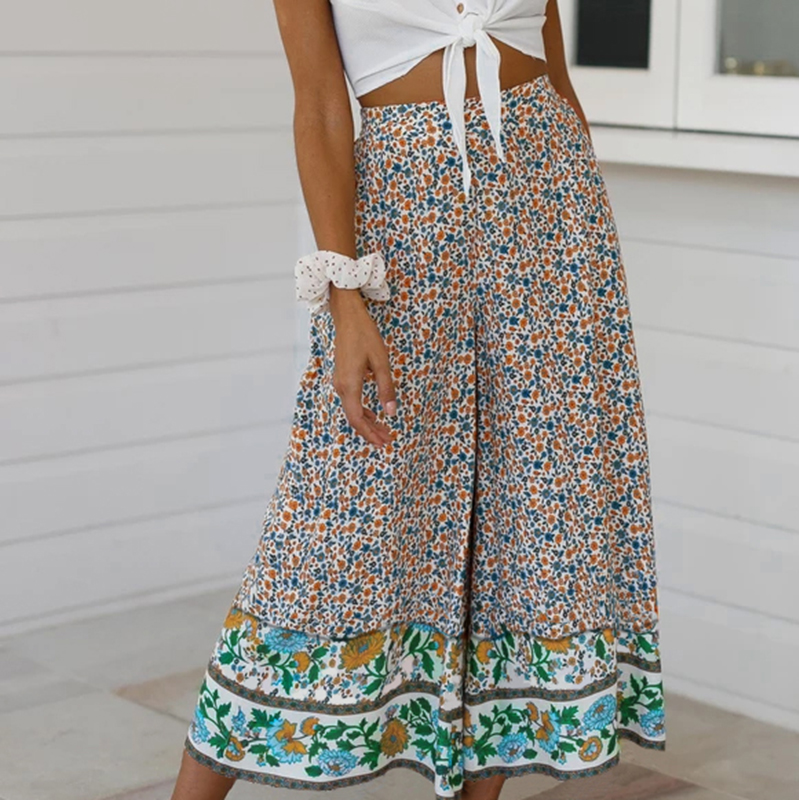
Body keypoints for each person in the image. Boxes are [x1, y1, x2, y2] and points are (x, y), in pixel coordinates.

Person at [171, 1, 666, 799]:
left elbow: (553, 69)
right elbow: (320, 107)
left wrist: (582, 241)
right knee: (333, 523)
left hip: (547, 204)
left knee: (528, 516)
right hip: (402, 218)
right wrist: (344, 296)